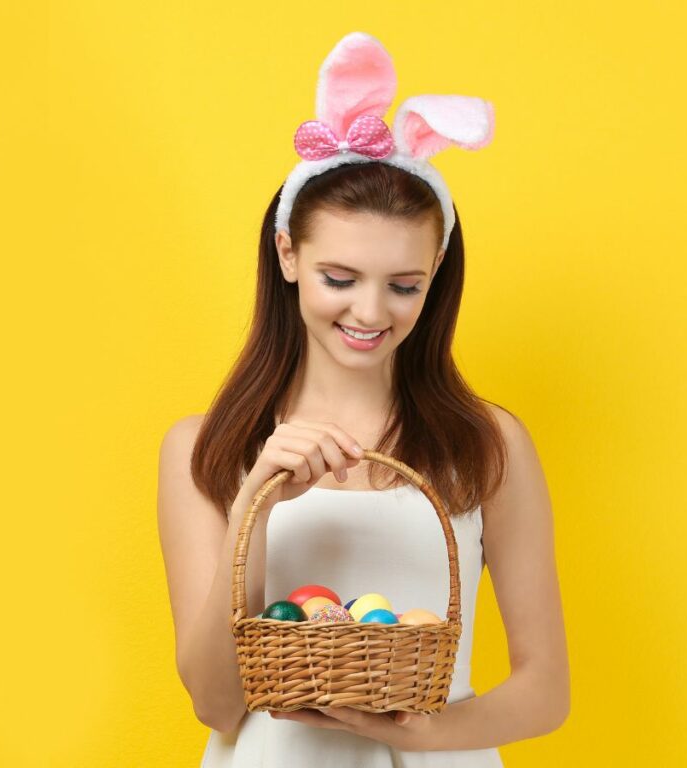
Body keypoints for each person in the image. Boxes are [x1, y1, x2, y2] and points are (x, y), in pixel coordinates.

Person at [157, 31, 569, 766]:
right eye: (340, 279)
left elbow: (545, 691)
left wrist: (421, 732)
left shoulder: (488, 444)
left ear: (436, 270)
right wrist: (256, 498)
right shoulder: (204, 449)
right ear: (288, 255)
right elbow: (215, 703)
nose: (371, 312)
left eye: (404, 285)